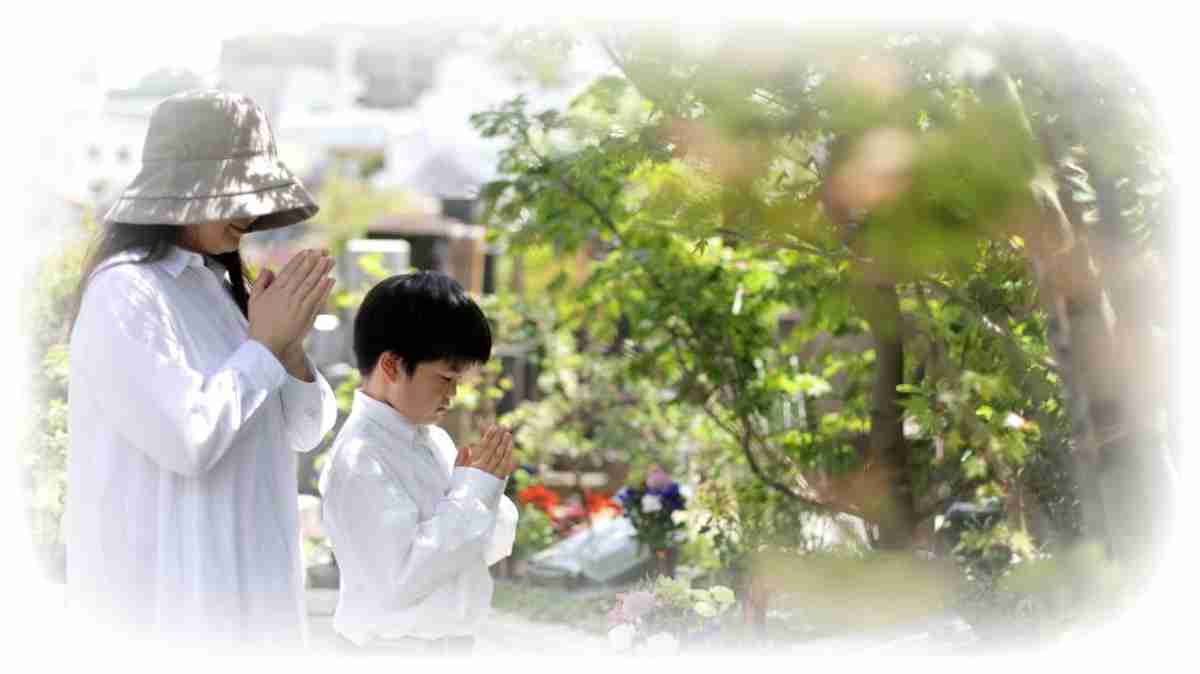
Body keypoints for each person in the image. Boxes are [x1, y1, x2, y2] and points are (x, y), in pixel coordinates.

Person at [65, 90, 339, 650]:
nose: (253, 211)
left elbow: (306, 430)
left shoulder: (219, 290)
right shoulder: (129, 290)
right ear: (186, 188)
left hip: (251, 595)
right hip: (168, 611)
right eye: (239, 190)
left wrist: (287, 349)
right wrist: (263, 346)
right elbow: (187, 438)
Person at [319, 271, 518, 656]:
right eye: (445, 377)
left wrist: (483, 486)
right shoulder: (360, 458)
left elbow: (487, 550)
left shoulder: (434, 441)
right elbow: (402, 582)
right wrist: (473, 493)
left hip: (450, 648)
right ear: (392, 365)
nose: (453, 394)